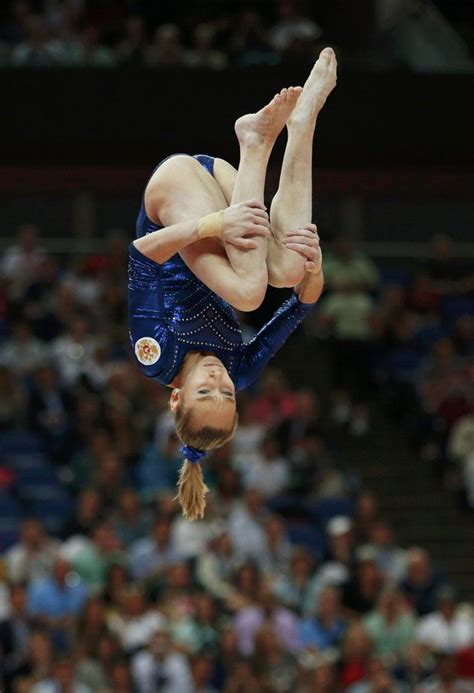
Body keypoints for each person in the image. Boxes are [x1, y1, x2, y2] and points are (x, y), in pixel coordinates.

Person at [128, 47, 338, 520]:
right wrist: (315, 267)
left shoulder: (155, 354)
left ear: (176, 397)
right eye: (226, 395)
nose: (220, 382)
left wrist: (211, 226)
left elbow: (142, 254)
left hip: (176, 199)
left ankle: (256, 142)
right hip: (227, 195)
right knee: (287, 270)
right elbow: (300, 306)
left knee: (248, 291)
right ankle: (302, 125)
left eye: (206, 392)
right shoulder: (241, 368)